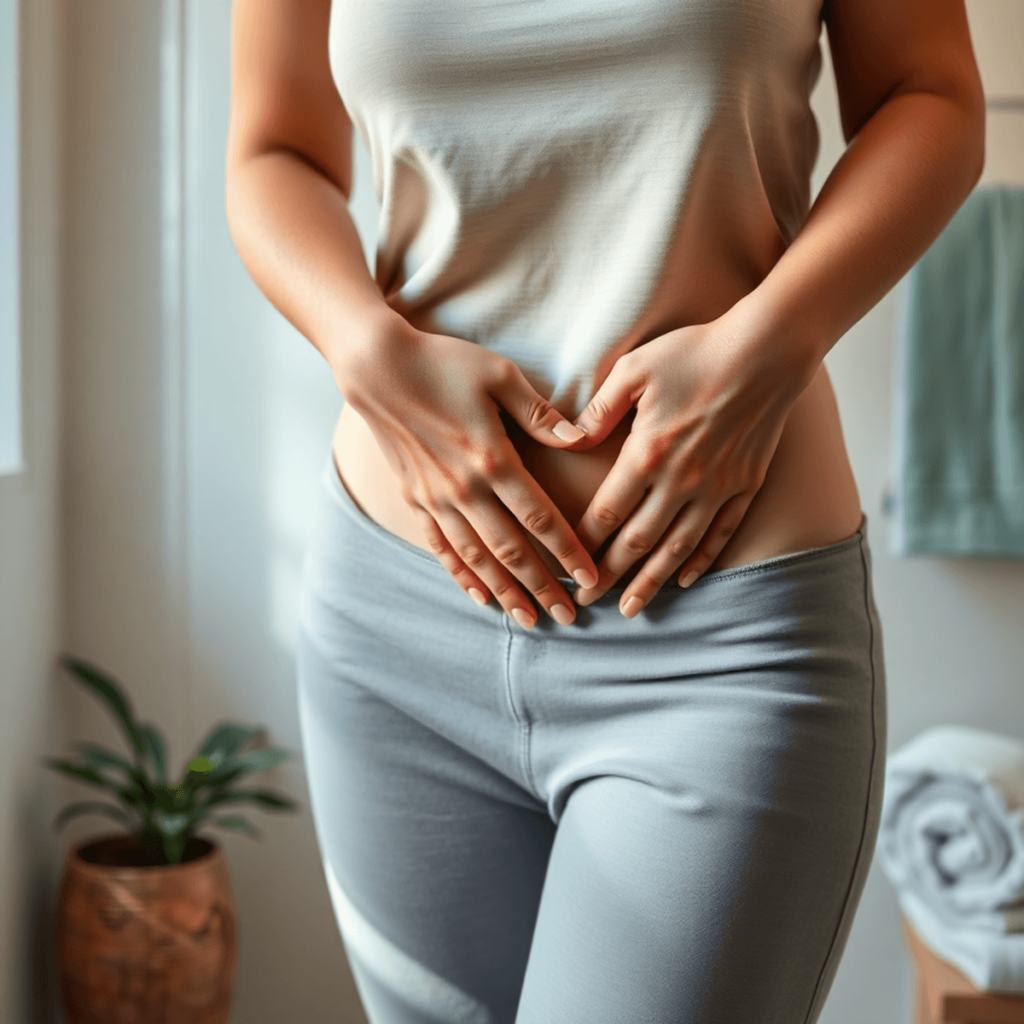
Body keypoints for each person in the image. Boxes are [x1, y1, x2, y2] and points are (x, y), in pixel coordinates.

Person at [225, 0, 985, 1020]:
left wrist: (776, 337)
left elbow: (929, 97)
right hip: (394, 628)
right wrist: (364, 350)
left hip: (717, 645)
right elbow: (273, 148)